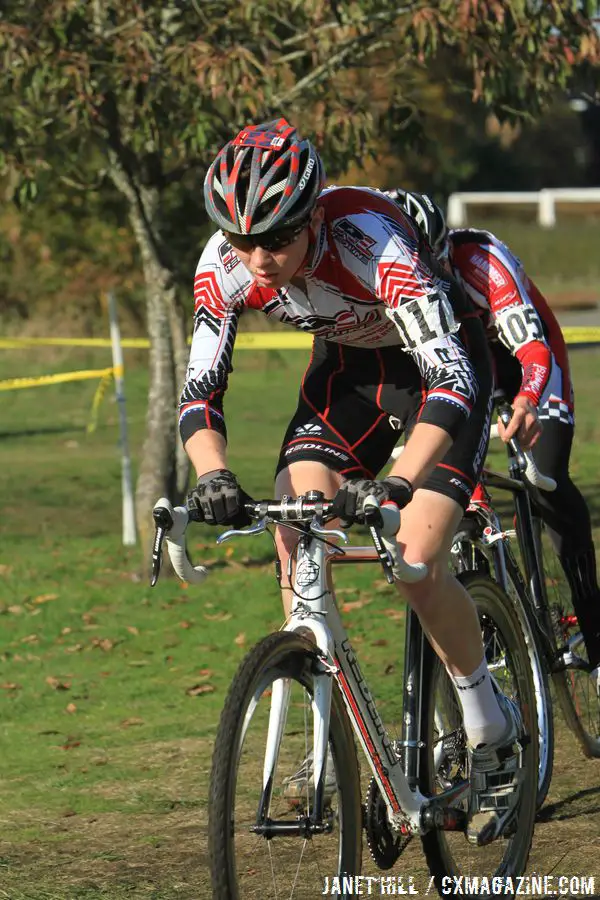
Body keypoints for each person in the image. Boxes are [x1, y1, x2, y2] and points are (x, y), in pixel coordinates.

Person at [180, 118, 525, 844]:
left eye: (275, 239)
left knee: (418, 561)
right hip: (349, 377)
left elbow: (453, 378)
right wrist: (211, 473)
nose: (258, 259)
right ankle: (325, 738)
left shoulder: (371, 242)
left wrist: (395, 483)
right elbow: (199, 393)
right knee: (295, 521)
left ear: (312, 220)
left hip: (441, 376)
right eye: (243, 241)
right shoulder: (225, 265)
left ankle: (491, 726)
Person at [388, 188, 600, 668]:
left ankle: (595, 626)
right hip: (460, 370)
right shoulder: (386, 282)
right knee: (443, 489)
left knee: (542, 477)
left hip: (521, 362)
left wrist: (527, 399)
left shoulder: (481, 260)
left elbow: (532, 349)